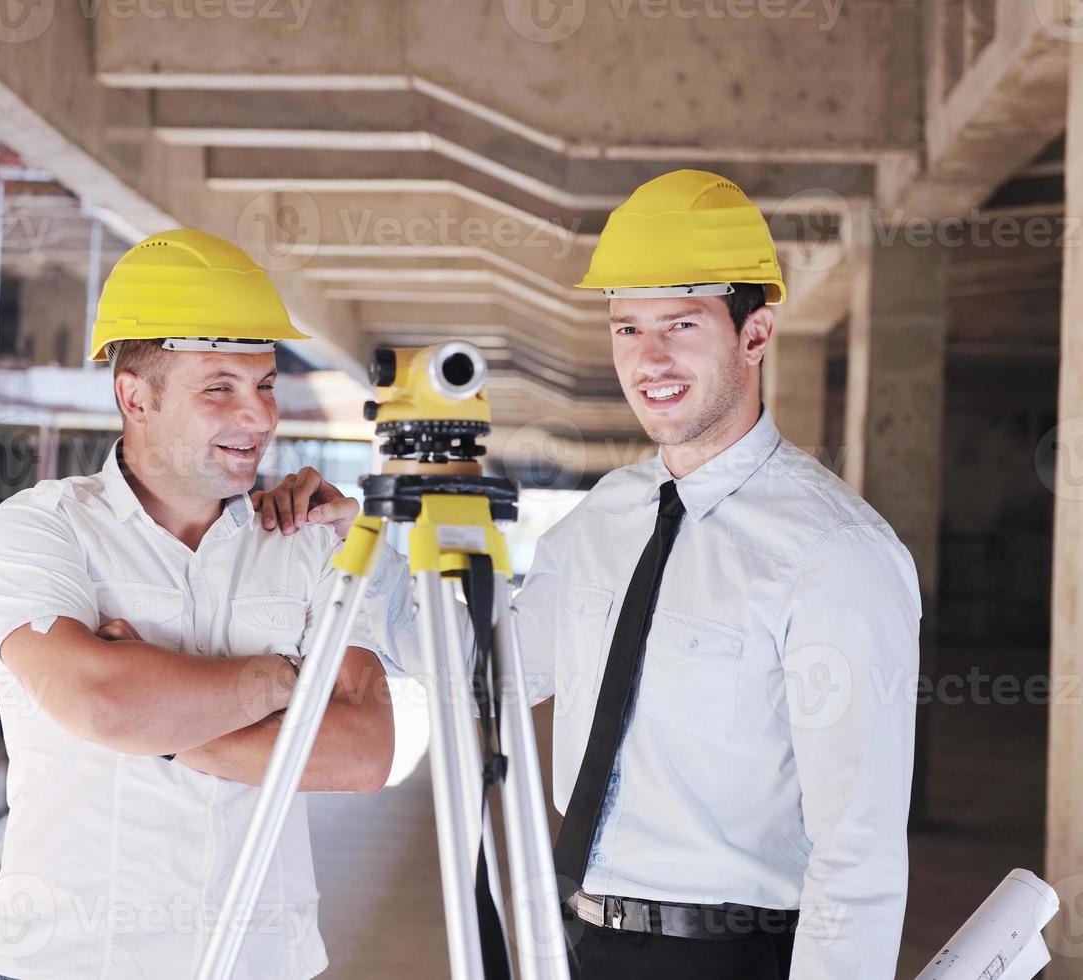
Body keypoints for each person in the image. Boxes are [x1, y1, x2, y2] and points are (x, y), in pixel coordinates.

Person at [256, 170, 921, 979]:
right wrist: (345, 545)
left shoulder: (837, 555)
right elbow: (487, 667)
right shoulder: (610, 514)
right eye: (627, 328)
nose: (650, 359)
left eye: (682, 322)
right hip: (572, 938)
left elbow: (859, 854)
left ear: (756, 332)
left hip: (728, 956)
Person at [0, 228, 398, 980]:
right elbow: (104, 703)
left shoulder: (310, 542)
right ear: (134, 396)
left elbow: (364, 753)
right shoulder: (42, 529)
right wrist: (280, 683)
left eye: (265, 384)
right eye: (219, 388)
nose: (260, 417)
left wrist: (160, 722)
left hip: (265, 964)